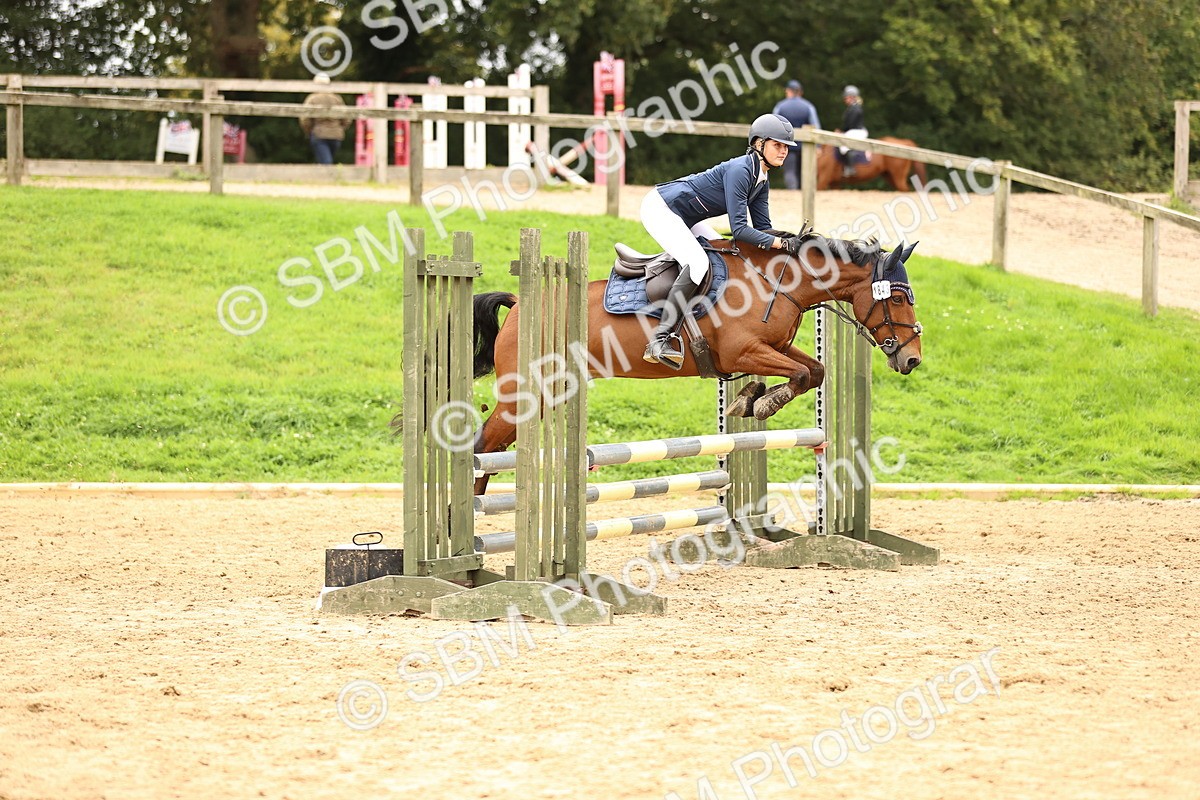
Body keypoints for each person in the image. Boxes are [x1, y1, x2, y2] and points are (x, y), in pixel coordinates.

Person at [640, 114, 806, 368]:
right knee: (698, 263)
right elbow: (739, 230)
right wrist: (782, 245)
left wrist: (793, 239)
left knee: (726, 256)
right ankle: (659, 339)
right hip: (661, 208)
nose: (784, 151)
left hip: (687, 215)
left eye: (786, 146)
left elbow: (763, 229)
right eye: (778, 145)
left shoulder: (761, 179)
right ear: (759, 144)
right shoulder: (741, 171)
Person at [771, 79, 821, 190]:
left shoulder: (780, 106)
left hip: (787, 145)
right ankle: (804, 194)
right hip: (805, 146)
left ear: (789, 91)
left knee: (790, 172)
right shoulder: (808, 106)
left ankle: (793, 193)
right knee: (805, 172)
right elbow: (815, 126)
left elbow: (774, 125)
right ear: (800, 92)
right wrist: (818, 146)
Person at [300, 73, 349, 165]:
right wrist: (340, 128)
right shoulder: (337, 99)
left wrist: (309, 131)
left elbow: (305, 118)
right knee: (326, 160)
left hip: (319, 134)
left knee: (325, 163)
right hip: (336, 135)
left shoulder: (312, 99)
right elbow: (346, 117)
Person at [838, 85, 869, 176]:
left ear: (852, 97)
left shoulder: (855, 108)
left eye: (846, 97)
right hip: (854, 130)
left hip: (856, 131)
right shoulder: (852, 107)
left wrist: (842, 131)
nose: (845, 99)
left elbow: (850, 123)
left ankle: (851, 168)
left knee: (843, 146)